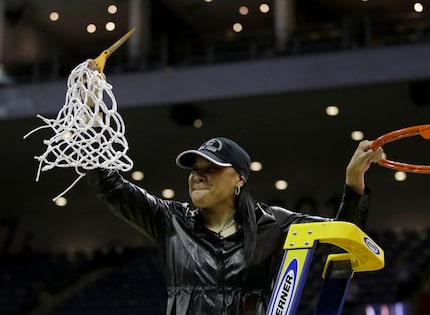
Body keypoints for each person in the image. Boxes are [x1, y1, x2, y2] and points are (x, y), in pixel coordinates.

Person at [87, 136, 383, 315]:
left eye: (211, 168)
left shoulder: (275, 224)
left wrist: (354, 180)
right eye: (195, 170)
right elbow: (109, 185)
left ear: (239, 179)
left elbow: (342, 235)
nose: (197, 176)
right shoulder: (171, 220)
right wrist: (93, 126)